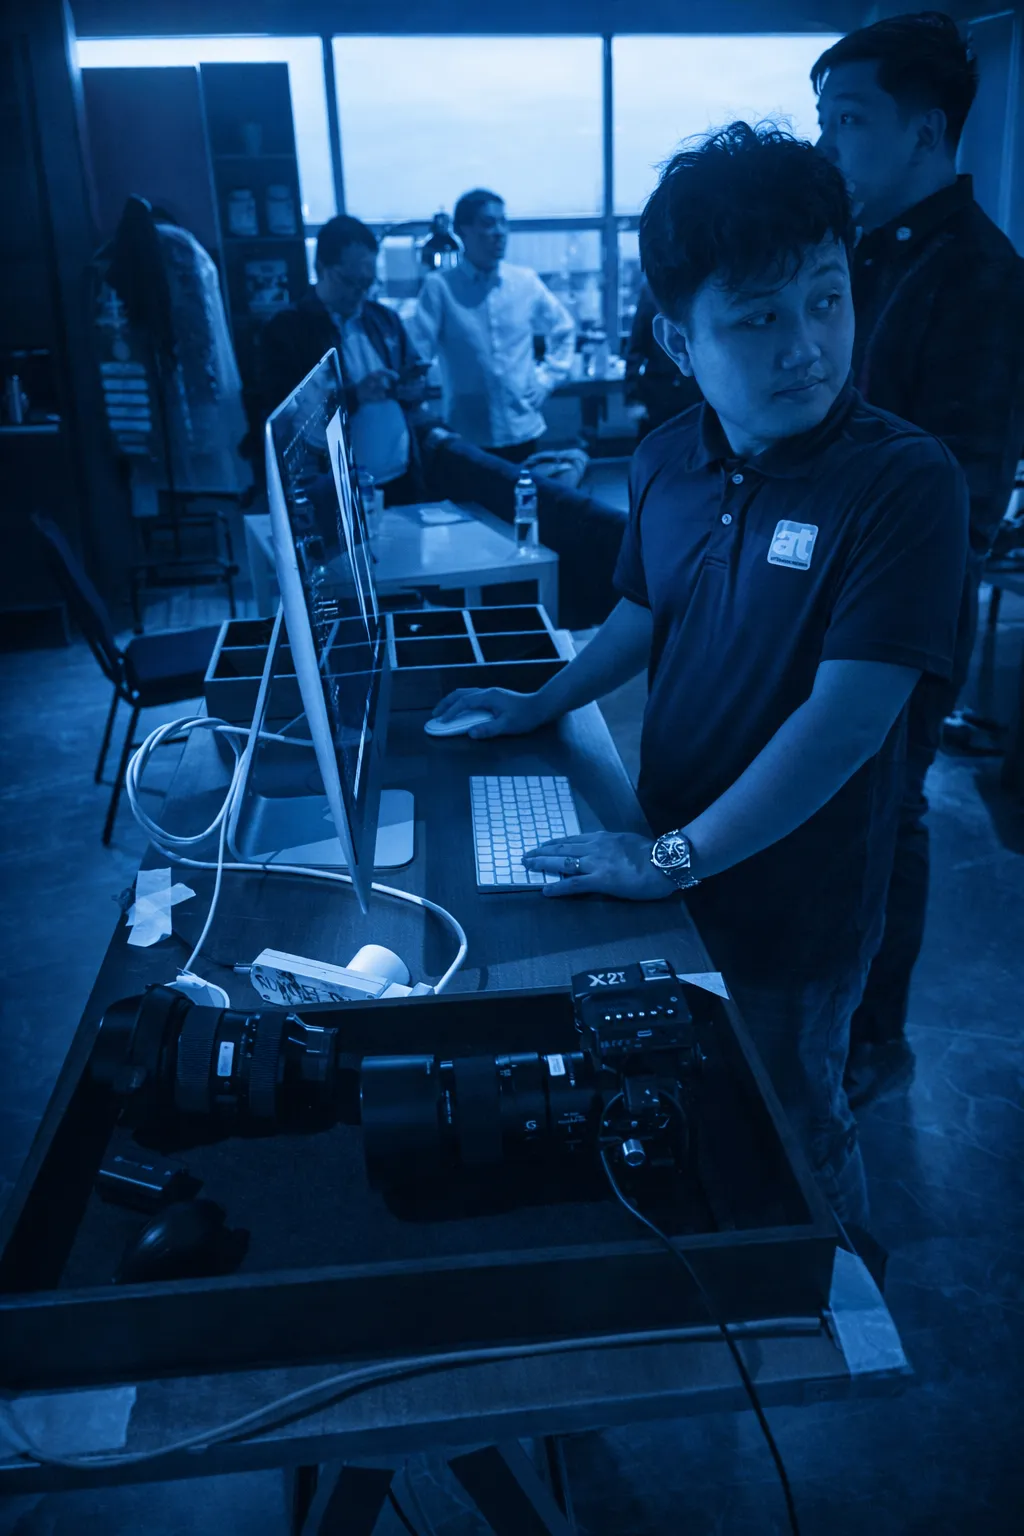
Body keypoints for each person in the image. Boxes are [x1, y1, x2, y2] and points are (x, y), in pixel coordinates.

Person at [430, 124, 969, 1233]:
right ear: (681, 340)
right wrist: (540, 703)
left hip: (793, 898)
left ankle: (840, 1307)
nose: (807, 346)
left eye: (825, 298)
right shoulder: (672, 455)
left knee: (792, 1114)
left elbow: (845, 725)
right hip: (669, 847)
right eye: (759, 318)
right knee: (689, 1097)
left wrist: (668, 859)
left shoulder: (901, 482)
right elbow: (642, 610)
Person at [813, 12, 1024, 1106]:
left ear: (926, 130)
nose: (830, 145)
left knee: (884, 816)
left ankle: (872, 1038)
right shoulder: (858, 254)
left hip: (894, 612)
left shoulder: (981, 276)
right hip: (823, 588)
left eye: (848, 121)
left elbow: (967, 490)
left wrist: (877, 624)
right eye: (824, 120)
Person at [259, 214, 428, 505]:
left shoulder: (385, 319)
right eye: (350, 281)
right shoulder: (288, 330)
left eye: (367, 283)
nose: (359, 293)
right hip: (333, 488)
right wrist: (356, 395)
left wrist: (412, 388)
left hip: (400, 476)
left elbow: (412, 376)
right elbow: (284, 416)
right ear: (320, 268)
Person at [407, 188, 575, 463]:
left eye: (503, 222)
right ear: (463, 231)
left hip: (523, 427)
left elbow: (563, 329)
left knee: (525, 504)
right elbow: (417, 355)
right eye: (487, 223)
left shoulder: (525, 281)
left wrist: (547, 379)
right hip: (467, 433)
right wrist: (419, 407)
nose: (499, 232)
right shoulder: (440, 287)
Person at [624, 280, 703, 439]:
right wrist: (632, 398)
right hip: (659, 392)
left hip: (696, 390)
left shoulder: (702, 285)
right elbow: (636, 346)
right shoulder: (652, 290)